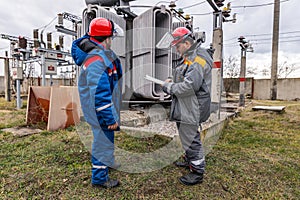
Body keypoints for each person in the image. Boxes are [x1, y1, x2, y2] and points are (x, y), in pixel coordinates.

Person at [71, 17, 123, 189]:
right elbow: (100, 96)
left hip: (103, 110)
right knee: (102, 142)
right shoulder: (96, 60)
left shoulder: (99, 55)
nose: (112, 41)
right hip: (100, 111)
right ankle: (100, 179)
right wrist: (110, 118)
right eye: (111, 38)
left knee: (107, 138)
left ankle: (108, 163)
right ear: (106, 38)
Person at [161, 27, 213, 186]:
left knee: (191, 138)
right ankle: (190, 159)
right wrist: (173, 81)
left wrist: (169, 87)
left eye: (178, 46)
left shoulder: (197, 60)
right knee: (186, 135)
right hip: (187, 106)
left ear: (187, 43)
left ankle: (197, 171)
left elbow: (189, 87)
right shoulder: (190, 57)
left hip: (192, 107)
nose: (176, 49)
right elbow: (185, 78)